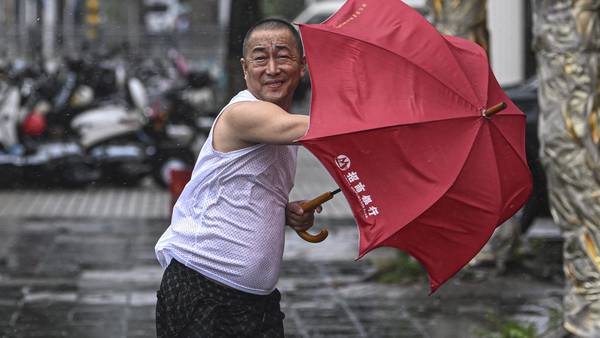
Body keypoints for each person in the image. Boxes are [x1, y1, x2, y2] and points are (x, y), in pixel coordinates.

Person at [154, 18, 319, 338]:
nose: (272, 68)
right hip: (202, 290)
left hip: (257, 302)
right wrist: (381, 118)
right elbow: (306, 129)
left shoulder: (281, 121)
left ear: (302, 66)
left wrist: (285, 213)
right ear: (245, 69)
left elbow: (249, 188)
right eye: (260, 58)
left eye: (283, 56)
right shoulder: (243, 113)